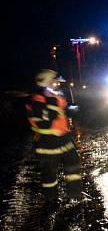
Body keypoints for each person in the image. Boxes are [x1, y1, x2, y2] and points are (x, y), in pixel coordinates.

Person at [26, 69, 83, 203]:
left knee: (73, 167)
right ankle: (51, 200)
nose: (56, 84)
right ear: (47, 82)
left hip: (64, 139)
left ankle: (74, 195)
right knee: (49, 174)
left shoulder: (53, 96)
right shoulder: (37, 99)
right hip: (47, 143)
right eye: (54, 82)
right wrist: (53, 105)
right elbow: (45, 122)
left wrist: (70, 111)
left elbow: (61, 113)